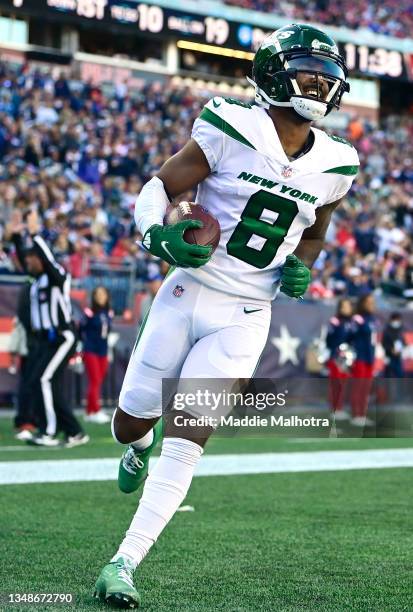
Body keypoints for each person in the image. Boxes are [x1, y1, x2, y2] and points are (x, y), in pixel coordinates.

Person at [94, 24, 359, 607]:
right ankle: (137, 446)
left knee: (190, 435)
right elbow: (158, 187)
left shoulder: (338, 163)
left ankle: (124, 561)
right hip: (187, 290)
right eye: (306, 66)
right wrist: (156, 236)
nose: (320, 79)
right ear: (271, 71)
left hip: (246, 311)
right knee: (131, 423)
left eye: (327, 71)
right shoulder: (231, 126)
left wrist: (303, 268)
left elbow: (314, 232)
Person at [11, 209, 89, 448]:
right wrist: (17, 237)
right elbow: (27, 256)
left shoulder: (58, 276)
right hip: (46, 340)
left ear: (42, 259)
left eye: (32, 258)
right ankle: (74, 432)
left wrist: (35, 233)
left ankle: (49, 431)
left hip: (62, 336)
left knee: (44, 380)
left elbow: (45, 259)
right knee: (41, 382)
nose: (28, 262)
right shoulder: (37, 280)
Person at [80, 286, 113, 424]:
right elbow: (80, 330)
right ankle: (95, 410)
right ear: (93, 297)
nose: (100, 296)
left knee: (98, 380)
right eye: (97, 294)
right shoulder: (89, 312)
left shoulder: (108, 312)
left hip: (103, 350)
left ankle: (89, 411)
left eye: (103, 294)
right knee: (95, 380)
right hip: (90, 350)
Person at [349, 293, 377, 427]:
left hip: (370, 357)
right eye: (369, 302)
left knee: (366, 388)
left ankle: (362, 415)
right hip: (359, 357)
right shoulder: (357, 319)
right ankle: (356, 415)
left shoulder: (373, 319)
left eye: (373, 302)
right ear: (363, 303)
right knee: (358, 387)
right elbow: (349, 337)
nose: (372, 305)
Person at [326, 298, 353, 420]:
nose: (347, 309)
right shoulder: (335, 321)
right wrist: (337, 351)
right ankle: (335, 409)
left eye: (349, 306)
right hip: (336, 357)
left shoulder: (351, 322)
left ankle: (340, 408)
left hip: (346, 358)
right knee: (336, 384)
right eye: (345, 306)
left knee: (343, 384)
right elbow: (329, 340)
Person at [382, 312, 405, 378]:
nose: (397, 322)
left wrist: (400, 349)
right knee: (388, 374)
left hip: (398, 356)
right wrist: (391, 350)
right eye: (396, 320)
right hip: (389, 356)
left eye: (399, 320)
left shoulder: (400, 330)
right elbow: (384, 343)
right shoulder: (387, 330)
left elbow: (403, 342)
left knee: (399, 374)